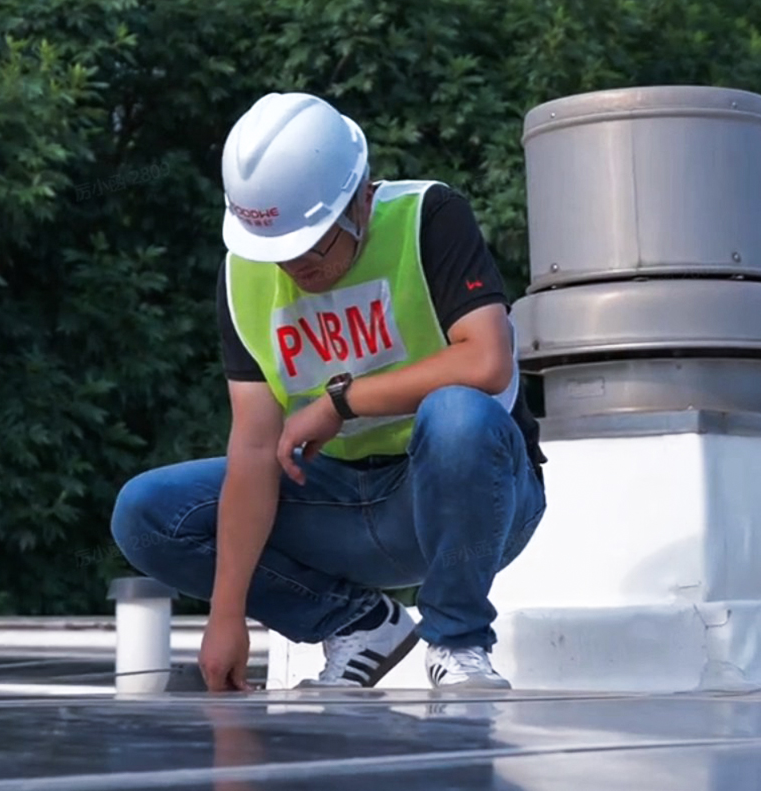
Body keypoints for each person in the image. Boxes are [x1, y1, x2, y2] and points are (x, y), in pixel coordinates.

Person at [111, 92, 548, 692]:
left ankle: (458, 643)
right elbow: (254, 449)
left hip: (464, 499)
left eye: (311, 245)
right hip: (337, 504)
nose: (296, 268)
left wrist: (340, 402)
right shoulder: (244, 274)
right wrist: (227, 614)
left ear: (360, 201)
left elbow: (486, 361)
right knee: (146, 513)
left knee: (458, 414)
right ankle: (358, 624)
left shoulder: (430, 216)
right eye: (280, 252)